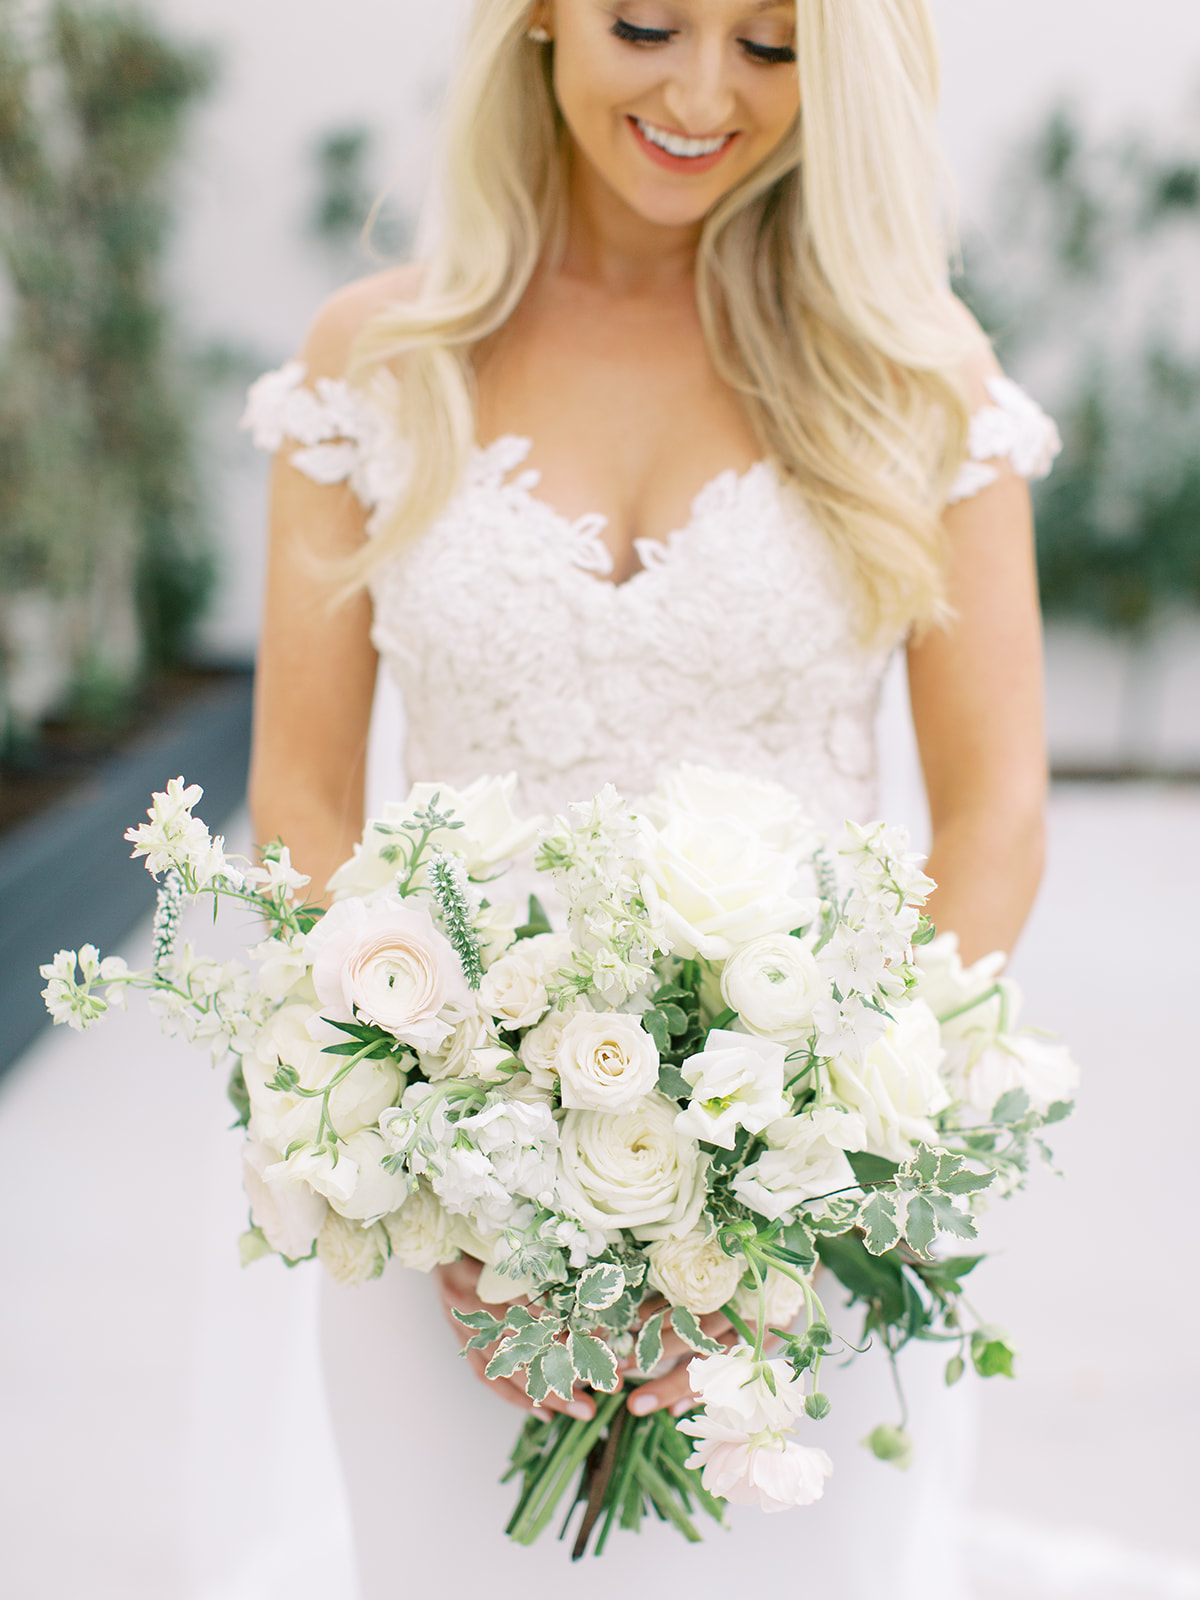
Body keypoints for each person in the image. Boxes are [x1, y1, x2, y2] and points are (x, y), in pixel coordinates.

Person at [243, 1, 1060, 1593]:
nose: (703, 93)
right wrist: (444, 1168)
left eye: (772, 45)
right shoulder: (378, 361)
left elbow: (995, 815)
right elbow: (300, 794)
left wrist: (783, 1194)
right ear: (540, 18)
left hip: (803, 1220)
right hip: (439, 1236)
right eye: (646, 22)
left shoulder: (909, 371)